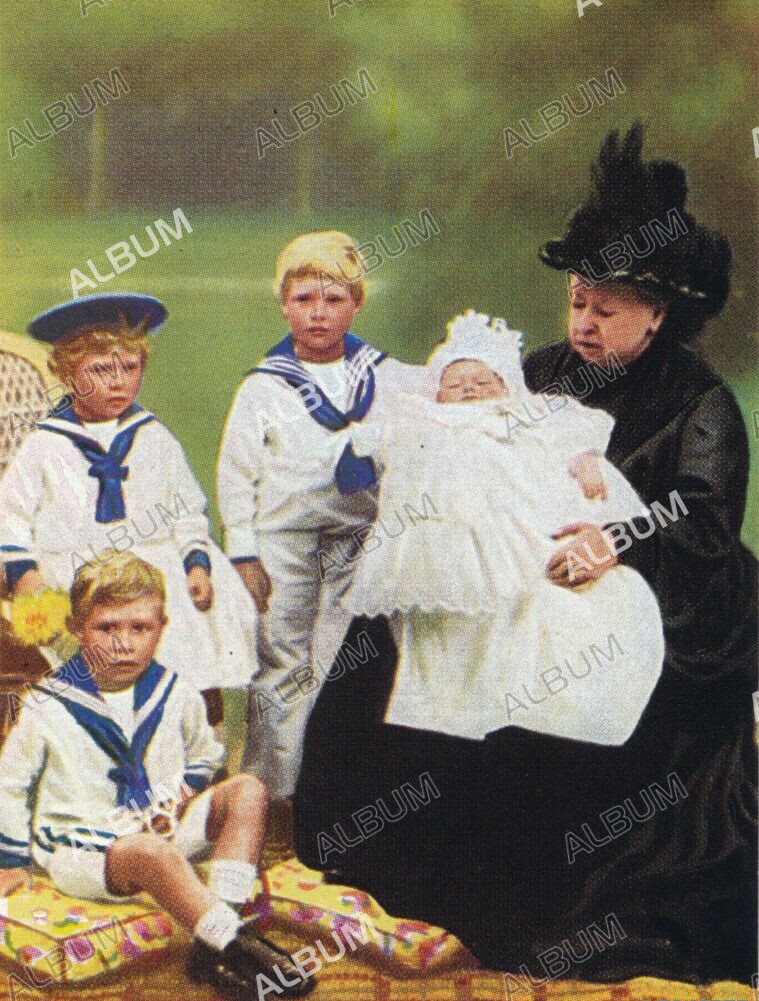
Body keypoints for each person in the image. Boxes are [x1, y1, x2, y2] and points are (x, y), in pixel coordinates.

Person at [295, 127, 757, 985]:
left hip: (674, 592)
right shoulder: (537, 372)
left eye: (605, 309)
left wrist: (612, 540)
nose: (582, 322)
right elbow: (468, 440)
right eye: (576, 302)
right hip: (525, 566)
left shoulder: (701, 403)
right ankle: (387, 874)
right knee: (395, 641)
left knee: (576, 670)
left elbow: (702, 516)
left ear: (659, 312)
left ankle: (537, 907)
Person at [0, 551, 312, 1001]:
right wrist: (9, 860)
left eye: (139, 628)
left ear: (161, 628)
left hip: (161, 827)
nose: (124, 644)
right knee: (151, 855)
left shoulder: (175, 690)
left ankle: (212, 945)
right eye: (107, 629)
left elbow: (206, 754)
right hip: (87, 850)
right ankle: (237, 943)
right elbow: (9, 785)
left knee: (248, 790)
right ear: (76, 629)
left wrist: (186, 792)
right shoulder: (47, 704)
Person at [343, 310, 664, 745]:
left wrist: (585, 458)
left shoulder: (527, 415)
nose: (470, 391)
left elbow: (570, 433)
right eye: (455, 384)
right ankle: (453, 709)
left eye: (483, 382)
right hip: (444, 542)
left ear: (507, 387)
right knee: (447, 636)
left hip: (521, 534)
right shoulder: (424, 419)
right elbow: (364, 452)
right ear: (436, 392)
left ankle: (521, 704)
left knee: (563, 609)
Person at [0, 293, 260, 725]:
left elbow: (187, 510)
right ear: (66, 373)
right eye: (101, 370)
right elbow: (11, 515)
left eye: (130, 368)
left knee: (188, 626)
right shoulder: (45, 445)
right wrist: (25, 574)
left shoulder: (153, 435)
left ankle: (198, 738)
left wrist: (195, 561)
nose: (119, 382)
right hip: (78, 571)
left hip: (152, 563)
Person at [217, 230, 409, 800]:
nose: (319, 313)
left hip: (359, 536)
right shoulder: (263, 386)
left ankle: (334, 798)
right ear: (283, 304)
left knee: (345, 658)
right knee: (282, 658)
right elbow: (235, 475)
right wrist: (244, 553)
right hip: (283, 539)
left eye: (333, 299)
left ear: (356, 303)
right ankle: (273, 798)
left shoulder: (385, 376)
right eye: (304, 300)